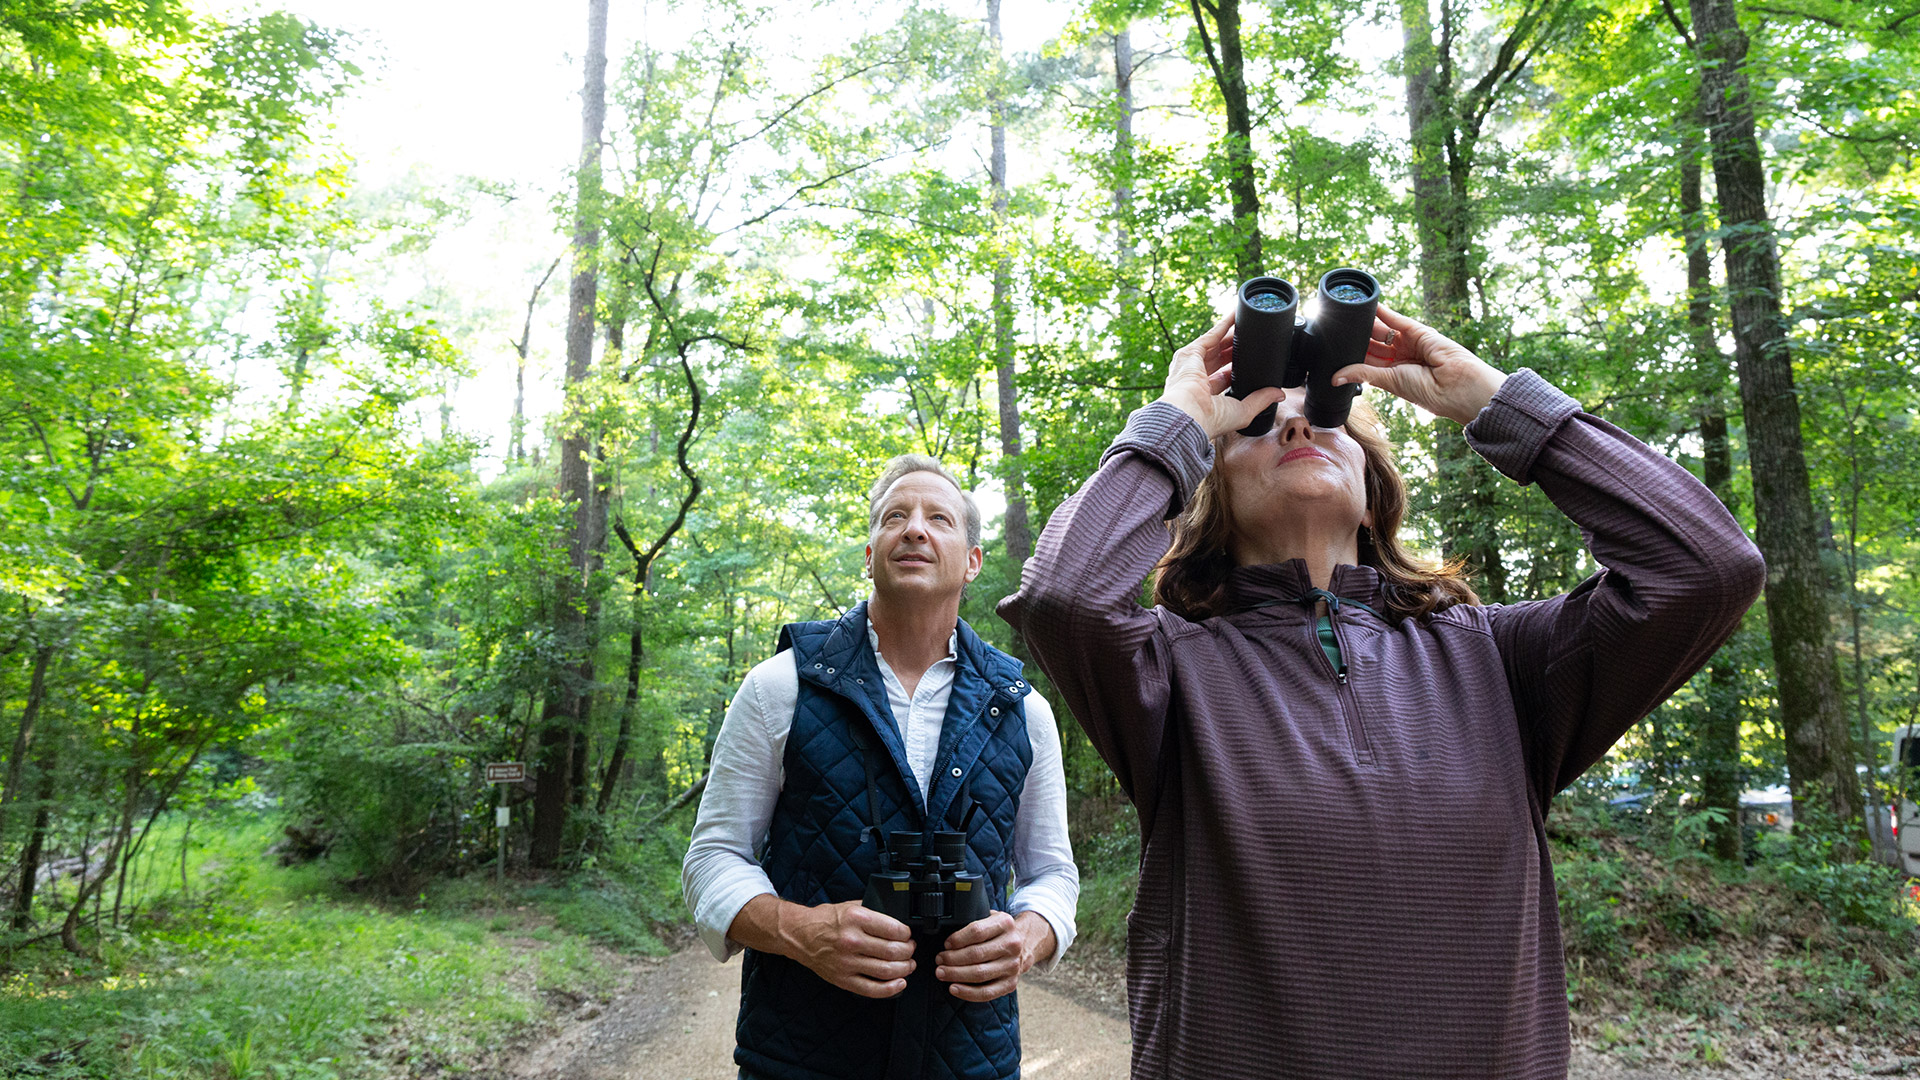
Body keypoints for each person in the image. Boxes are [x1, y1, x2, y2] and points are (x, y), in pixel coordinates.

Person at [997, 304, 1764, 1080]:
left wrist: (1498, 402)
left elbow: (1706, 569)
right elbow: (1064, 597)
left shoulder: (1499, 659)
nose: (1297, 428)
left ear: (1373, 487)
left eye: (1326, 417)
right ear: (1210, 502)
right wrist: (1176, 421)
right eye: (1258, 427)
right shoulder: (1171, 671)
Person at [684, 454, 1079, 1080]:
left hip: (972, 1060)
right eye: (895, 516)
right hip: (800, 1057)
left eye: (939, 518)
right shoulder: (778, 688)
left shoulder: (1023, 709)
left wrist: (1031, 936)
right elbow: (712, 858)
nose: (915, 529)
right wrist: (801, 930)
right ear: (870, 555)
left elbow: (1052, 873)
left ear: (973, 562)